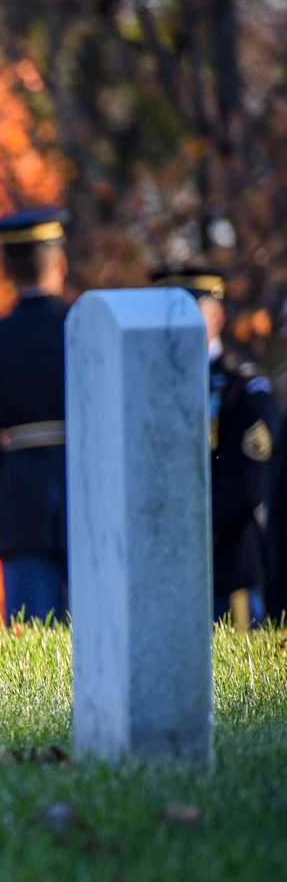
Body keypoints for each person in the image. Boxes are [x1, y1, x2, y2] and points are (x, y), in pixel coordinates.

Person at [0, 208, 71, 624]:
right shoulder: (86, 326)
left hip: (22, 494)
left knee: (33, 632)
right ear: (61, 262)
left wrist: (6, 486)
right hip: (92, 485)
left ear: (6, 268)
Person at [153, 268, 278, 629]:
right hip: (162, 571)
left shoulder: (245, 388)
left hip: (225, 567)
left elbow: (248, 482)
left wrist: (189, 527)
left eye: (190, 311)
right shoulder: (144, 389)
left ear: (217, 317)